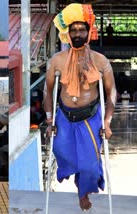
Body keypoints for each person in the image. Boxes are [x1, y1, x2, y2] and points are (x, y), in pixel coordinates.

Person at [44, 3, 116, 211]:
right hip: (64, 117)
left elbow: (111, 93)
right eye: (73, 30)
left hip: (91, 117)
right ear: (68, 33)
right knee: (64, 154)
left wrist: (107, 122)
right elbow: (49, 92)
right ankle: (79, 183)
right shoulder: (56, 61)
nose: (77, 34)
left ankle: (83, 191)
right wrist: (50, 121)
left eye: (81, 29)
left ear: (88, 31)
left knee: (89, 166)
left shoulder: (100, 61)